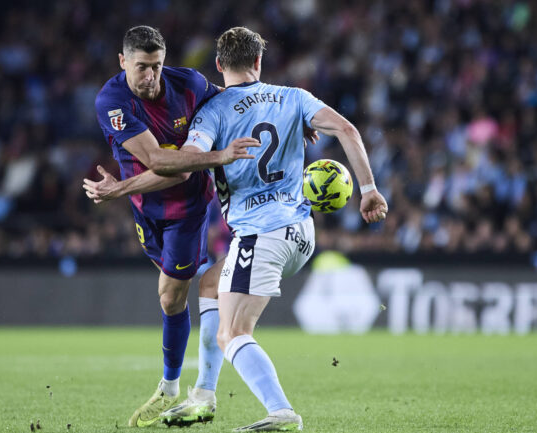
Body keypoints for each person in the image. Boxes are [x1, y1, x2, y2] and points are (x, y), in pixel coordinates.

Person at [102, 26, 388, 431]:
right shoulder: (295, 97)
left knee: (232, 333)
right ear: (259, 62)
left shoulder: (213, 113)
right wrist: (369, 191)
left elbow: (179, 167)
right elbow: (348, 130)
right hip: (302, 233)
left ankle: (282, 412)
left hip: (262, 236)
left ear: (218, 66)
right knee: (207, 286)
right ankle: (202, 395)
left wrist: (122, 188)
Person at [90, 25, 232, 427]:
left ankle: (171, 386)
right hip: (145, 212)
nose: (150, 77)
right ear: (123, 62)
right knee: (171, 293)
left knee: (170, 298)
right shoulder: (112, 101)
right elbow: (159, 162)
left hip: (187, 214)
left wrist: (285, 114)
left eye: (156, 66)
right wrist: (124, 192)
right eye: (141, 67)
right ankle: (205, 284)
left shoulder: (188, 83)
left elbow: (183, 169)